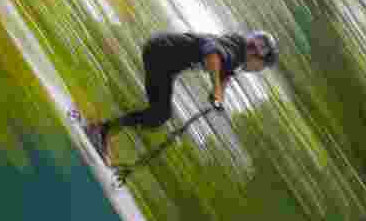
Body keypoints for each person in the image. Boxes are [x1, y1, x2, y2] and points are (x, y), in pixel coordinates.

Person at [77, 30, 278, 165]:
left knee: (159, 114)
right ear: (256, 55)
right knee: (160, 114)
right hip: (160, 54)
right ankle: (101, 131)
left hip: (163, 57)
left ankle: (102, 130)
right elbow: (211, 53)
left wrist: (218, 96)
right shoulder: (235, 51)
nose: (258, 71)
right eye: (262, 66)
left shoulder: (236, 52)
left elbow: (224, 73)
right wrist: (217, 87)